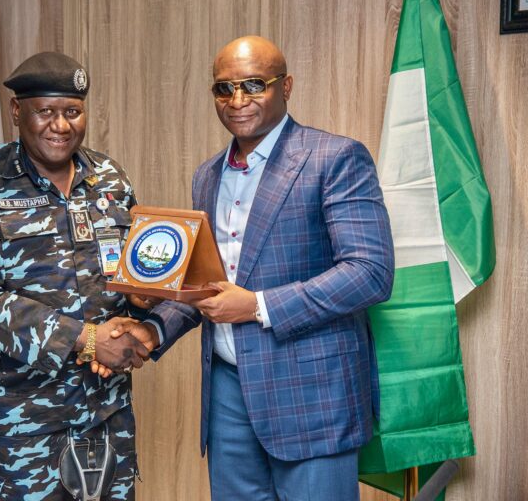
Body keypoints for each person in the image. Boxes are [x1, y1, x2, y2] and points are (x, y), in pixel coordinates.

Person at [104, 36, 394, 500]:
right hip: (227, 394)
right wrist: (152, 332)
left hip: (310, 394)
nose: (237, 101)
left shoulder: (334, 158)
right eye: (224, 89)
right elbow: (207, 286)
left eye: (253, 85)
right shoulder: (208, 174)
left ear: (287, 86)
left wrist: (258, 305)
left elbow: (370, 271)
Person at [0, 51, 156, 500]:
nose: (61, 125)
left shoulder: (110, 178)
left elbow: (133, 272)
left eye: (72, 112)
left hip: (106, 413)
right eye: (46, 112)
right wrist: (86, 338)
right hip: (21, 426)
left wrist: (144, 299)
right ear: (17, 112)